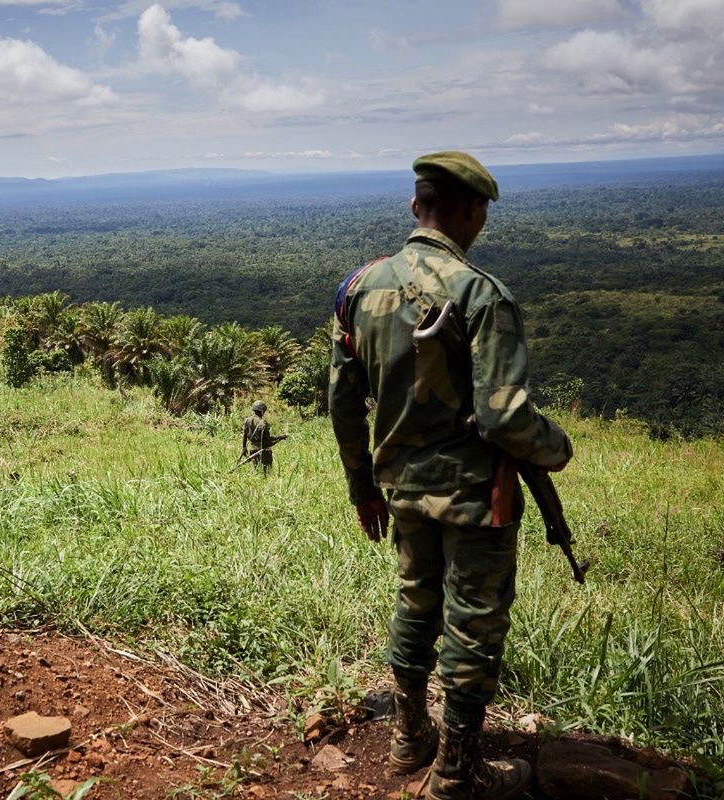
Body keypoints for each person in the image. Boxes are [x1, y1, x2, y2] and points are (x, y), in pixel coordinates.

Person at [328, 152, 572, 800]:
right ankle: (459, 773)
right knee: (474, 623)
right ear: (471, 212)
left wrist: (362, 492)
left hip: (401, 491)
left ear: (416, 207)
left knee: (416, 602)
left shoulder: (357, 291)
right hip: (475, 498)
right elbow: (505, 418)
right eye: (481, 211)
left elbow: (343, 405)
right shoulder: (479, 294)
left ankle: (410, 739)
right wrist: (559, 449)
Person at [240, 400, 287, 474]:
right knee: (266, 470)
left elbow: (245, 435)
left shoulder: (247, 421)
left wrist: (244, 448)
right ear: (263, 411)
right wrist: (280, 436)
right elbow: (267, 438)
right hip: (263, 449)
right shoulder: (262, 423)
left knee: (255, 467)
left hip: (253, 449)